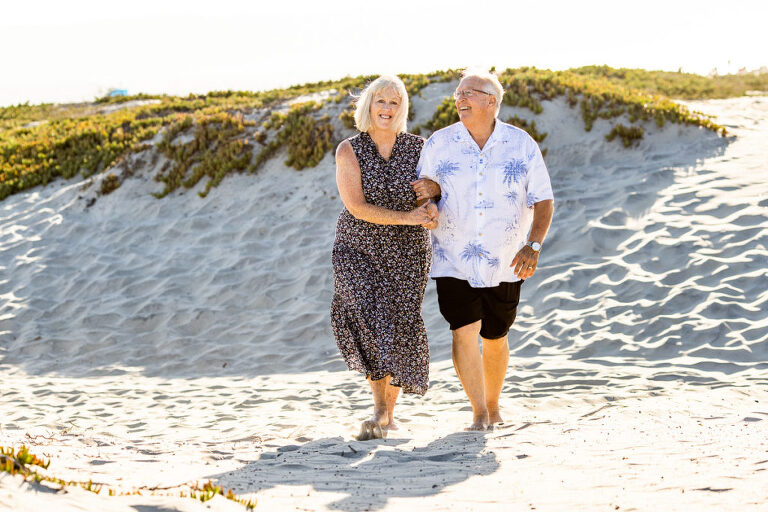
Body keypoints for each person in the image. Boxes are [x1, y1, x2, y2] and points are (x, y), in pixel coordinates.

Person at [412, 69, 554, 431]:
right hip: (451, 255)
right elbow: (426, 193)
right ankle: (478, 412)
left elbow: (543, 200)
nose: (460, 98)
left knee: (496, 335)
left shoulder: (521, 144)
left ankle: (493, 405)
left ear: (491, 102)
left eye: (469, 93)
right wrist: (429, 203)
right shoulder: (438, 143)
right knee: (464, 328)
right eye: (458, 93)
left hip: (505, 259)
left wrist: (533, 245)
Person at [331, 75, 439, 441]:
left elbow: (435, 191)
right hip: (357, 249)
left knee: (397, 324)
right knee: (369, 318)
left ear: (402, 108)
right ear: (368, 106)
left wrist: (432, 203)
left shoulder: (420, 148)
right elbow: (357, 207)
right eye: (381, 101)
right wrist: (410, 216)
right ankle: (380, 411)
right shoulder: (349, 150)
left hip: (408, 253)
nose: (387, 109)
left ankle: (387, 416)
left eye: (395, 102)